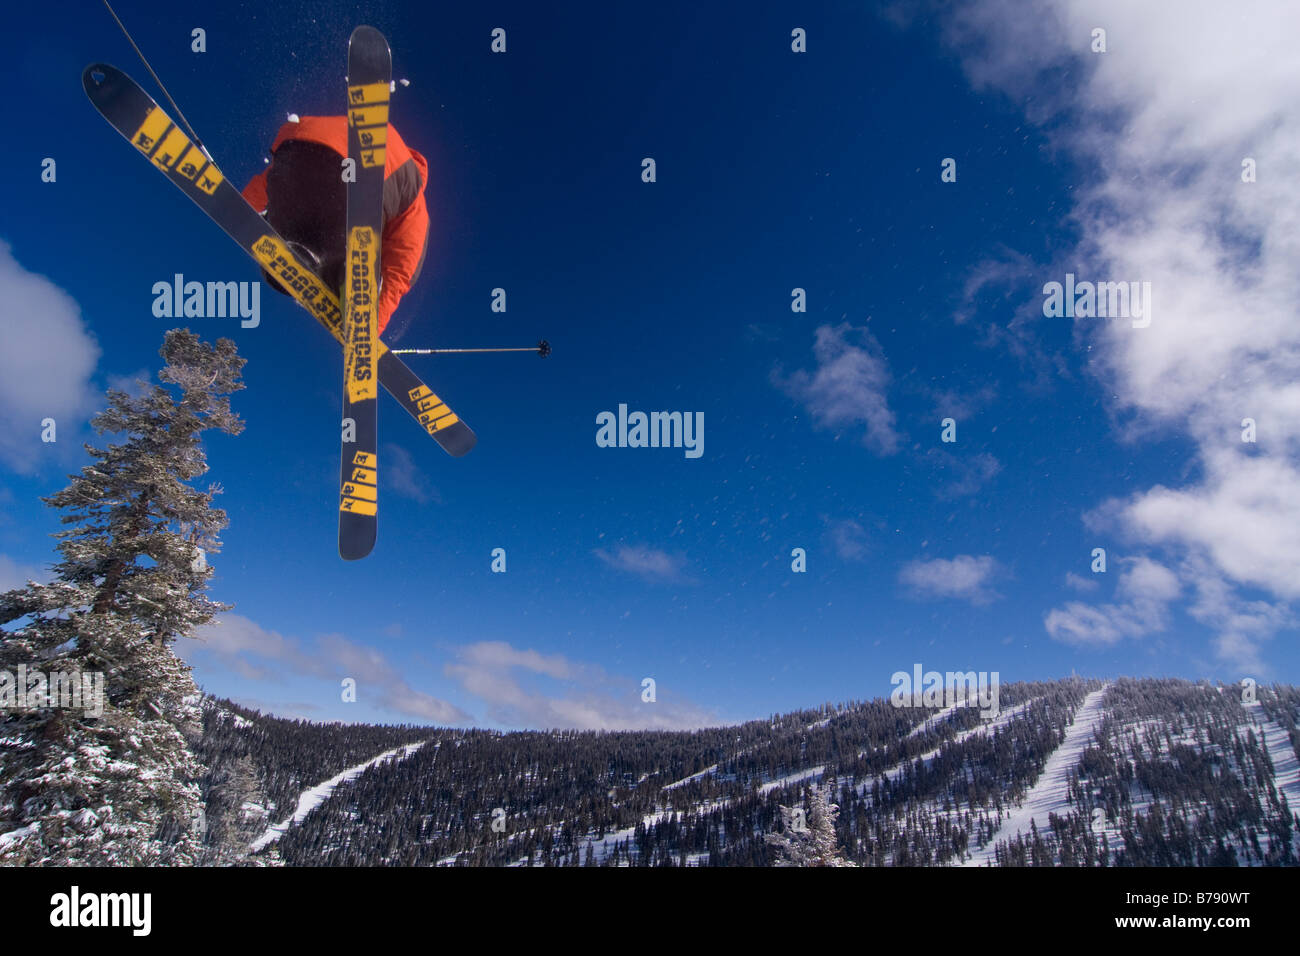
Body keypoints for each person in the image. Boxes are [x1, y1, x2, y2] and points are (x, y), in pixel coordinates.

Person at [242, 115, 430, 339]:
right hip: (351, 193)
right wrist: (369, 330)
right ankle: (350, 286)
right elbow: (400, 270)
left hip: (296, 153)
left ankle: (300, 249)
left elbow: (268, 181)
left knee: (292, 218)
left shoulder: (346, 125)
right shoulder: (414, 194)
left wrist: (242, 208)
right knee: (348, 255)